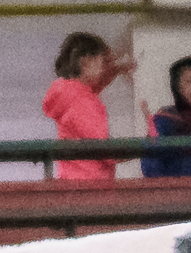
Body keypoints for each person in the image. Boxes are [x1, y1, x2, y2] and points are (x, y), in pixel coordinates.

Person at [42, 32, 133, 183]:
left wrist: (116, 70)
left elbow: (91, 87)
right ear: (86, 61)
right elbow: (104, 151)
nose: (104, 69)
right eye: (102, 62)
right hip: (90, 186)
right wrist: (144, 146)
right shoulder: (84, 101)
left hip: (72, 182)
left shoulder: (68, 94)